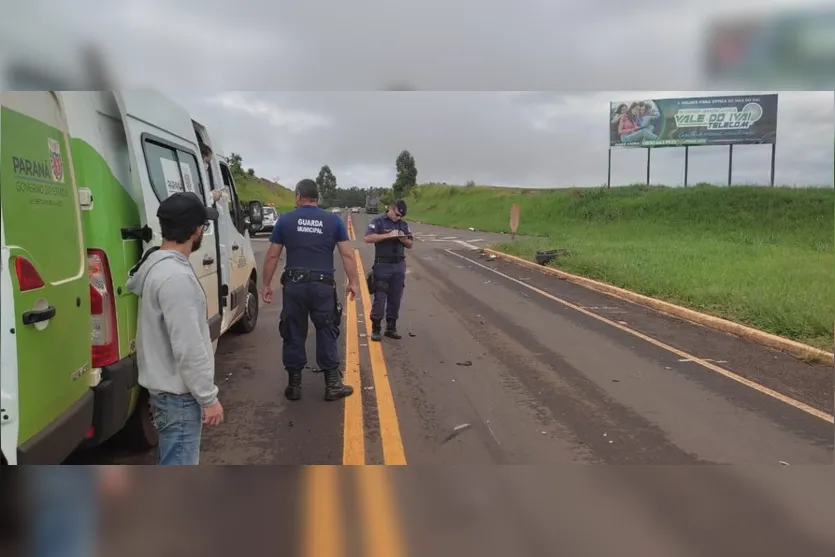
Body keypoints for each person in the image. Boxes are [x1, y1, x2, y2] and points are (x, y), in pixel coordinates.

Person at [126, 192, 225, 465]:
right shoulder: (176, 278)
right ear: (197, 230)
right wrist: (208, 398)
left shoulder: (156, 267)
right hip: (179, 397)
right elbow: (188, 345)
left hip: (164, 394)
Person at [260, 178, 359, 401]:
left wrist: (266, 284)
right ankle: (332, 384)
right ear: (317, 198)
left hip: (295, 286)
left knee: (293, 330)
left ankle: (294, 385)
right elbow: (347, 254)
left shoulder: (285, 220)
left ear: (298, 195)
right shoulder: (333, 221)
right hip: (322, 287)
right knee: (326, 329)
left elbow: (273, 255)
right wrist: (353, 282)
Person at [363, 199, 413, 341]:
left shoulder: (403, 224)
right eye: (396, 214)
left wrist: (402, 238)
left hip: (398, 265)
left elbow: (410, 243)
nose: (398, 218)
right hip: (382, 265)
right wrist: (388, 235)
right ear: (391, 208)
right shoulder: (379, 221)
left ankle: (391, 327)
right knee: (380, 298)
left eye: (400, 216)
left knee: (395, 298)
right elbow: (368, 237)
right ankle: (376, 328)